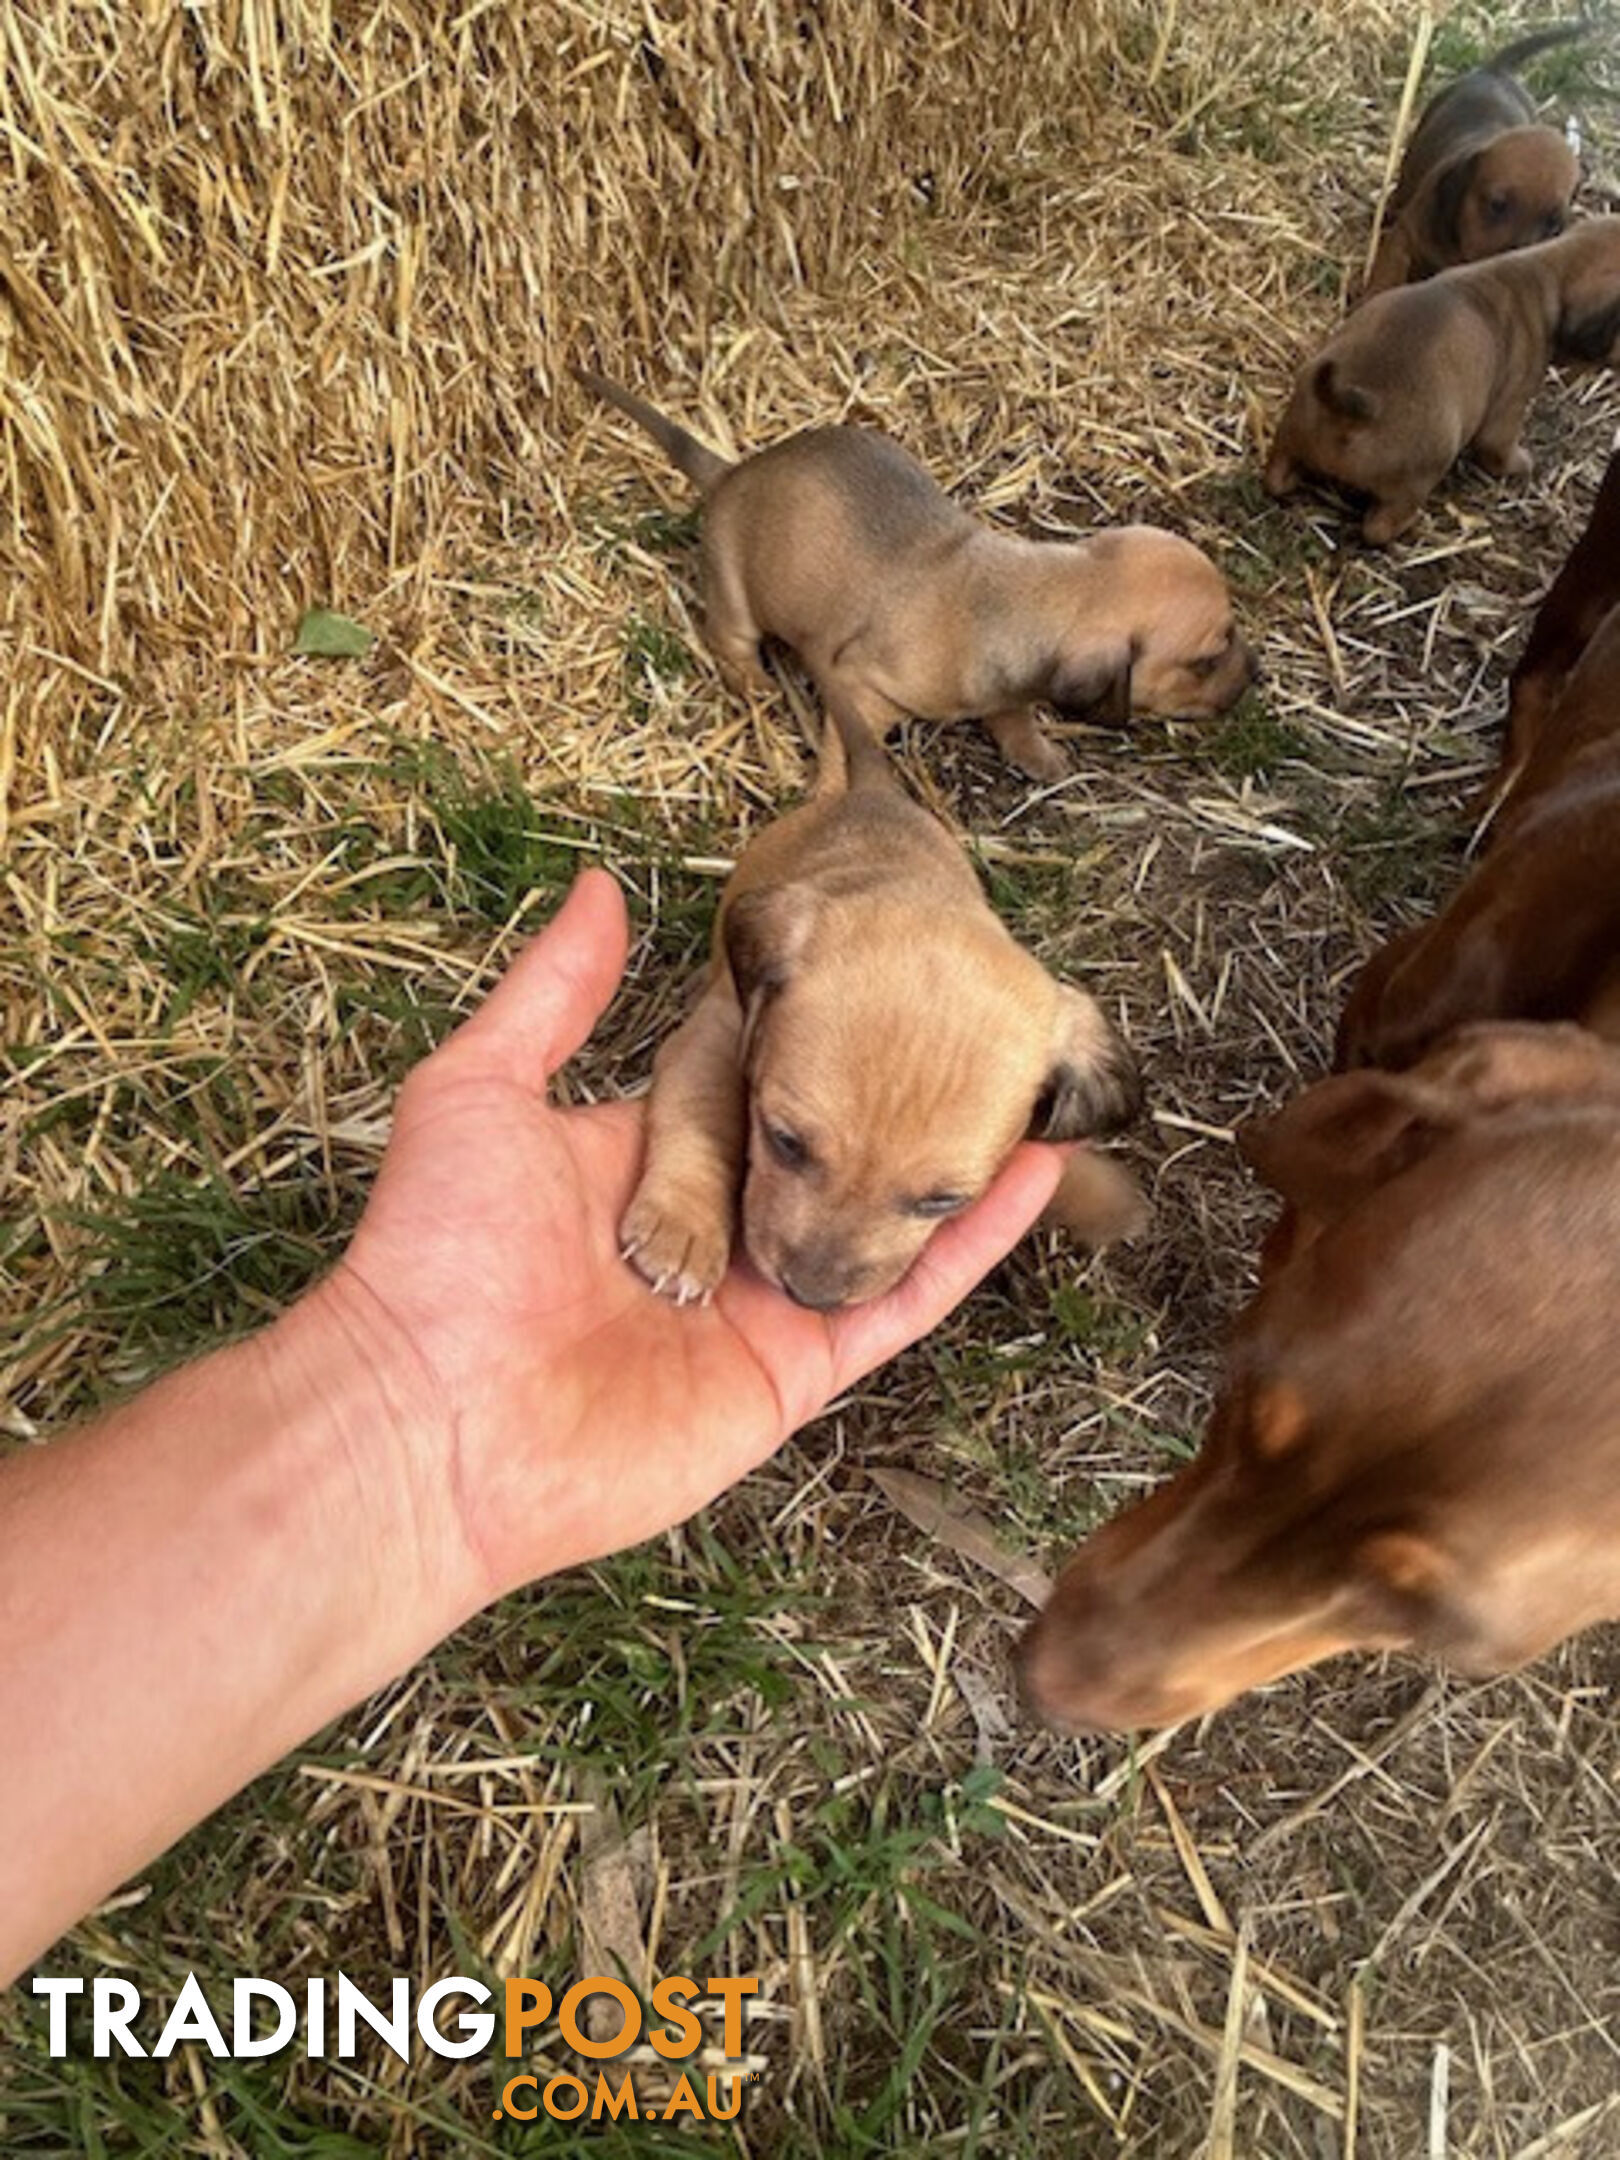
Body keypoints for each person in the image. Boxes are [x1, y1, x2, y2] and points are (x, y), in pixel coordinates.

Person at [0, 870, 1067, 1984]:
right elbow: (709, 1043)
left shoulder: (1025, 1048)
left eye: (935, 1200)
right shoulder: (786, 938)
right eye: (793, 1146)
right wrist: (699, 1170)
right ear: (761, 980)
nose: (814, 1264)